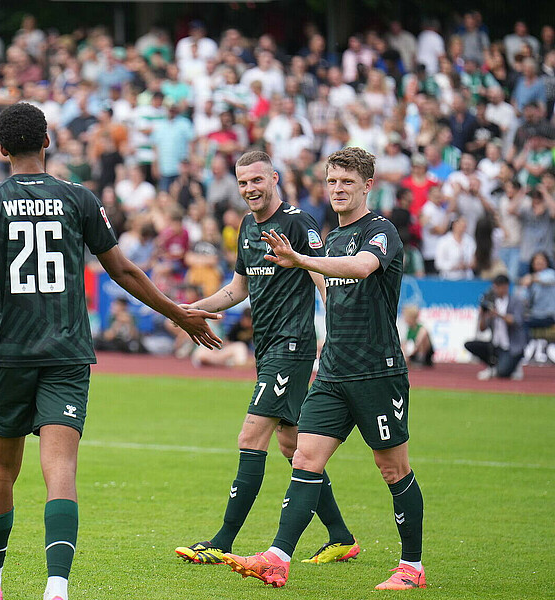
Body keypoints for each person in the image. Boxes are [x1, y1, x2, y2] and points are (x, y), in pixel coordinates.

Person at [0, 102, 221, 600]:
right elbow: (124, 270)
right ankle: (57, 587)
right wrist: (178, 313)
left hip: (10, 355)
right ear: (48, 142)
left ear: (1, 148)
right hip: (69, 353)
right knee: (62, 472)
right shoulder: (78, 198)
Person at [219, 147, 426, 591]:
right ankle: (277, 557)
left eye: (347, 183)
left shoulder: (381, 232)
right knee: (304, 457)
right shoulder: (331, 238)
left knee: (393, 469)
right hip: (331, 371)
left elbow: (361, 268)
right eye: (332, 182)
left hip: (376, 371)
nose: (337, 190)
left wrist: (302, 260)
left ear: (368, 185)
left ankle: (412, 567)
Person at [175, 151, 357, 566]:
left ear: (274, 178)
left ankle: (221, 541)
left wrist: (336, 333)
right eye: (242, 183)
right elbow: (238, 289)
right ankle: (341, 536)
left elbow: (321, 272)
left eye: (257, 180)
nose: (249, 189)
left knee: (250, 437)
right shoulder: (246, 227)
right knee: (293, 446)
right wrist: (190, 309)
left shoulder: (297, 222)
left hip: (291, 347)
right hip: (268, 348)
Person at [465, 274, 527, 380]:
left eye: (497, 287)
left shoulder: (516, 301)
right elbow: (482, 329)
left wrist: (498, 314)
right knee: (470, 345)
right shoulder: (492, 303)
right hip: (496, 345)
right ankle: (494, 366)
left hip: (512, 347)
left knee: (503, 373)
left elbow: (516, 321)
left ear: (505, 287)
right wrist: (483, 316)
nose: (495, 290)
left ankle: (510, 367)